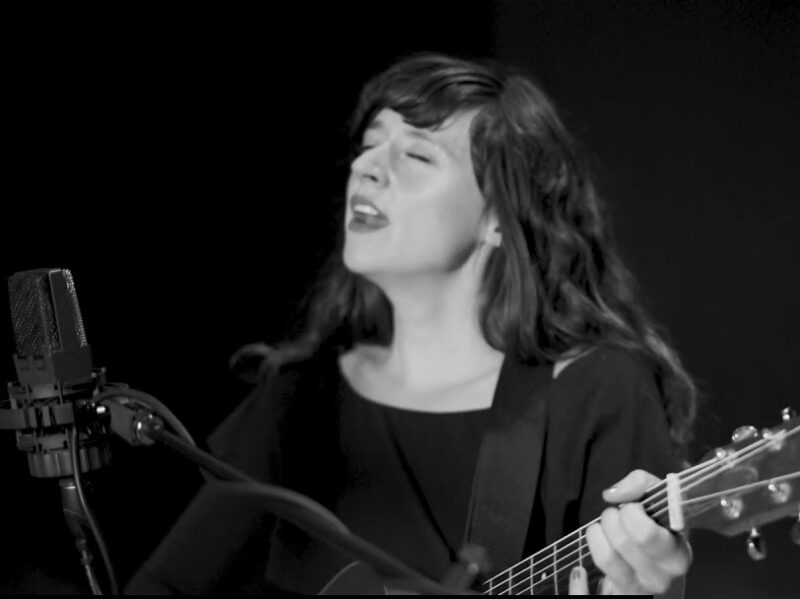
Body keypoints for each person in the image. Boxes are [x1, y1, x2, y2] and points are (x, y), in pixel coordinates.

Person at [125, 52, 696, 595]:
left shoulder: (595, 392)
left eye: (416, 156)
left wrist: (655, 587)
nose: (367, 169)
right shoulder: (300, 403)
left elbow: (643, 574)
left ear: (499, 215)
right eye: (369, 148)